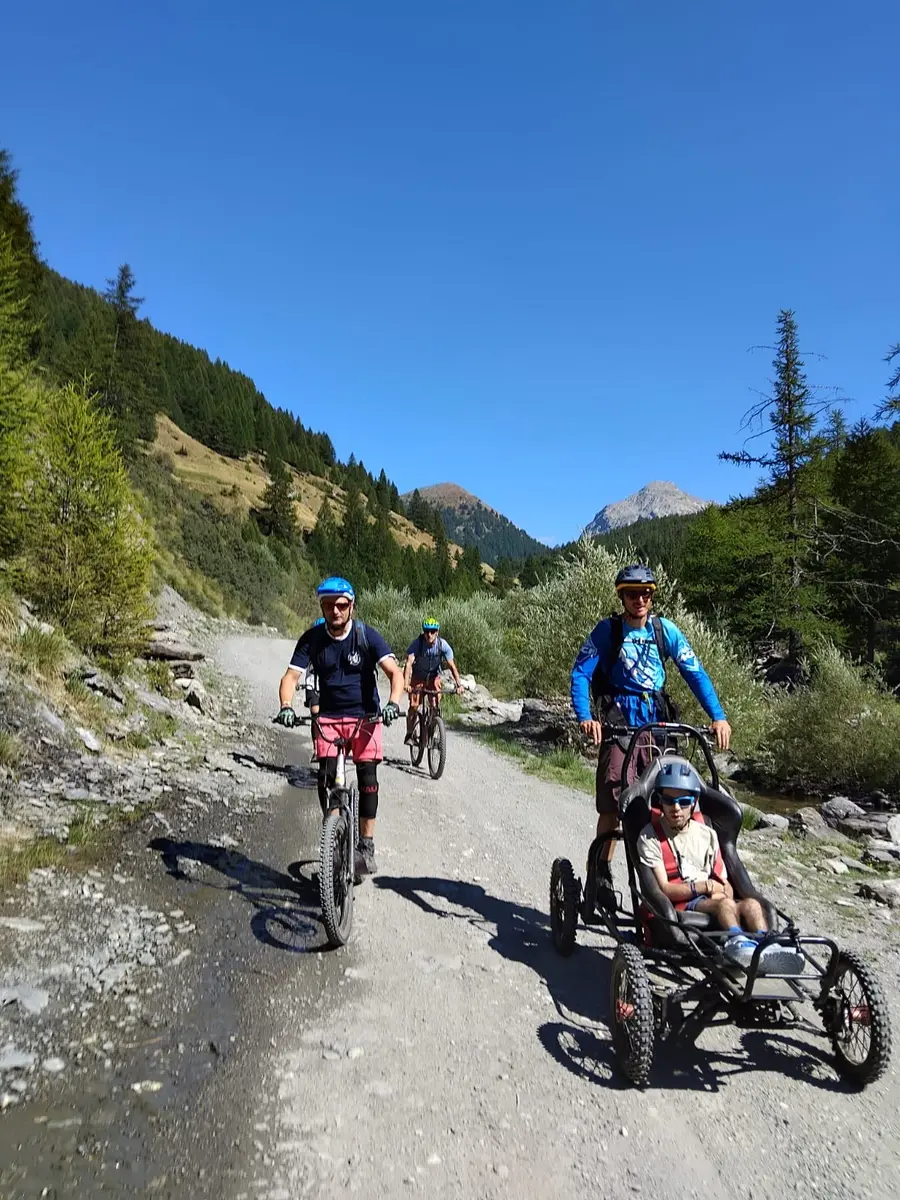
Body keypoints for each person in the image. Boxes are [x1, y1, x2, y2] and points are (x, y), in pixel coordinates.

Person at [570, 564, 732, 912]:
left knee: (669, 797)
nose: (639, 599)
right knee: (614, 800)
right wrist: (586, 717)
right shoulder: (608, 631)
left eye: (645, 593)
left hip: (658, 725)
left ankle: (670, 878)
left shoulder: (664, 630)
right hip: (619, 722)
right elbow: (581, 673)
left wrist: (717, 716)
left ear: (652, 596)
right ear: (622, 597)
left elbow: (695, 672)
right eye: (632, 594)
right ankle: (600, 873)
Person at [274, 577, 405, 876]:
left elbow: (395, 673)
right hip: (329, 719)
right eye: (329, 605)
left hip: (365, 718)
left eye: (342, 605)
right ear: (321, 606)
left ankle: (366, 846)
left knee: (368, 778)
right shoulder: (311, 639)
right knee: (326, 778)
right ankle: (333, 831)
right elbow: (290, 678)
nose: (335, 610)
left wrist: (393, 704)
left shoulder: (366, 635)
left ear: (351, 606)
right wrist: (286, 706)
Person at [637, 761, 803, 973]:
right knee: (724, 905)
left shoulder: (707, 834)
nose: (676, 808)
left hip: (712, 898)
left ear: (694, 802)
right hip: (681, 903)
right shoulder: (650, 836)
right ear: (660, 800)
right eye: (668, 801)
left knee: (751, 904)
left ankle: (768, 947)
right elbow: (665, 889)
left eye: (683, 801)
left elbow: (723, 880)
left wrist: (722, 892)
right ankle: (737, 943)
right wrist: (706, 887)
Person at [403, 617, 465, 745]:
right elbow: (408, 664)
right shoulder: (418, 643)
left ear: (437, 632)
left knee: (435, 705)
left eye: (432, 631)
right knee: (414, 706)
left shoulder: (442, 645)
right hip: (418, 678)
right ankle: (409, 734)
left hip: (433, 678)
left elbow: (452, 666)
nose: (429, 635)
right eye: (426, 631)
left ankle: (433, 726)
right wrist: (406, 684)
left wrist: (459, 685)